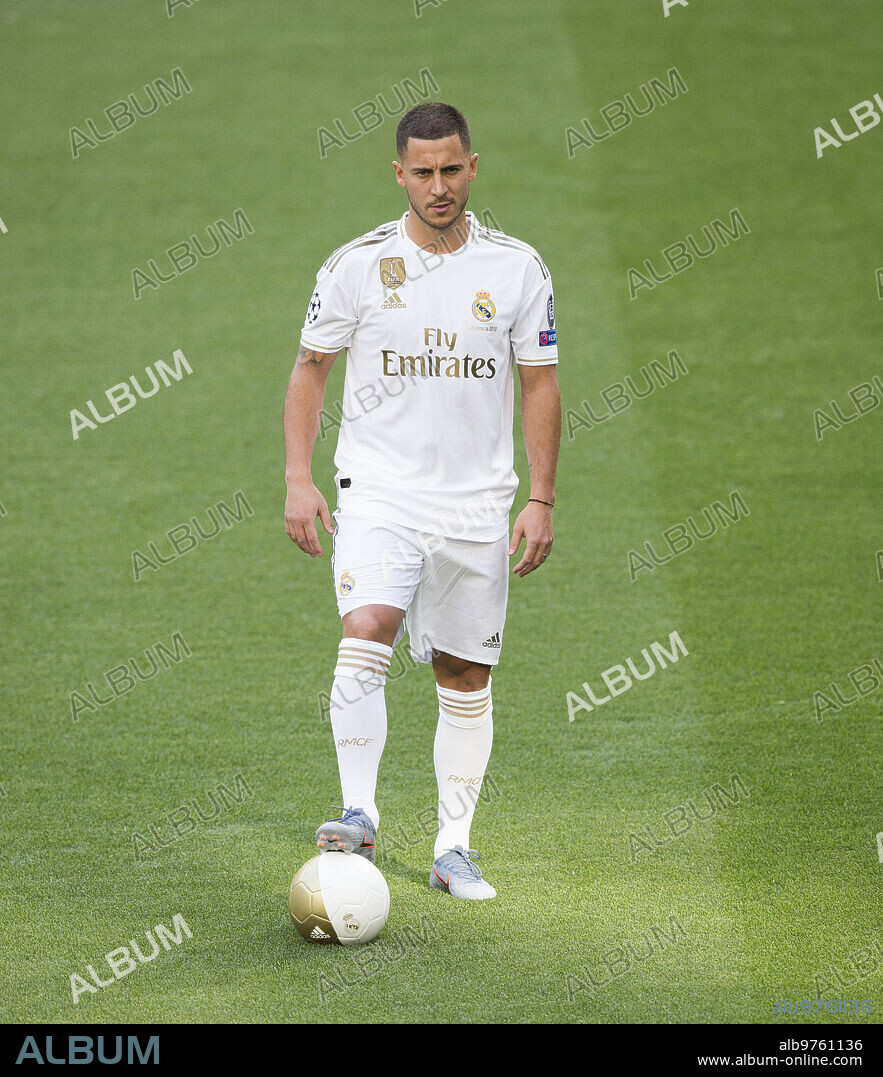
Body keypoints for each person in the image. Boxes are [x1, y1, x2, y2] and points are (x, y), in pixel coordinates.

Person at [283, 102, 561, 900]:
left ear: (473, 167)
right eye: (422, 172)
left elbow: (540, 386)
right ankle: (359, 812)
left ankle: (453, 848)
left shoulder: (516, 269)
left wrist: (540, 496)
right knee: (365, 630)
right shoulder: (356, 266)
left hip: (477, 504)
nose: (438, 186)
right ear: (398, 174)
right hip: (380, 492)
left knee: (464, 671)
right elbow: (310, 370)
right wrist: (299, 478)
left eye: (451, 169)